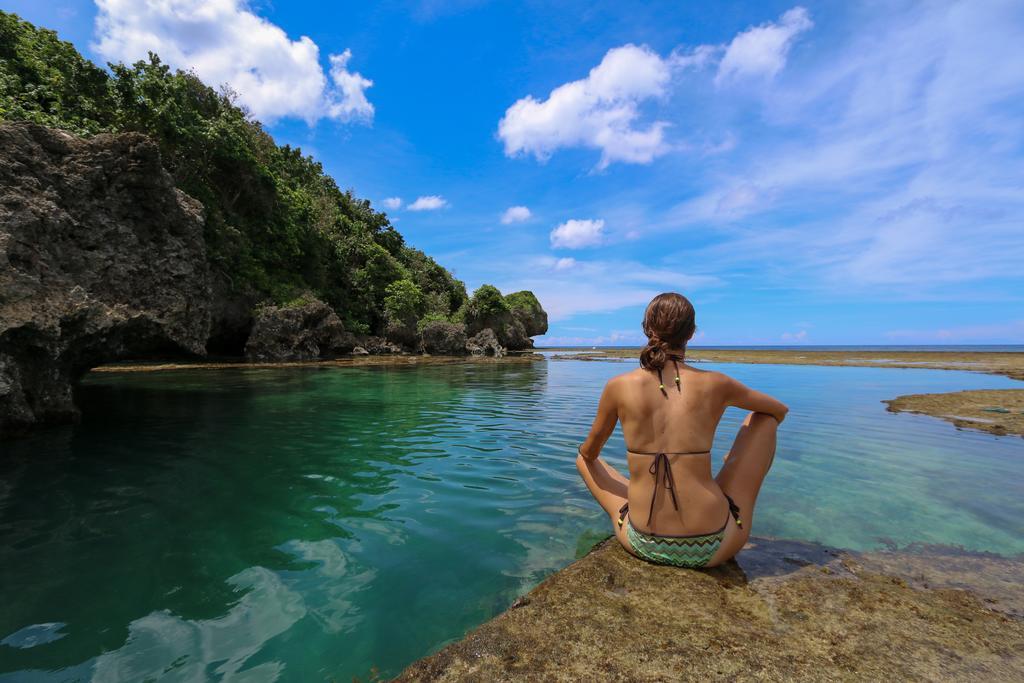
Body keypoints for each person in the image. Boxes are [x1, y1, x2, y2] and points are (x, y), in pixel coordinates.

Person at [576, 292, 787, 568]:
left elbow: (590, 453)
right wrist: (733, 463)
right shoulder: (717, 383)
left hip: (642, 542)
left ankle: (640, 501)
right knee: (764, 420)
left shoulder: (618, 385)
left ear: (647, 329)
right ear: (691, 334)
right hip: (715, 544)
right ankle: (723, 477)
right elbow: (778, 410)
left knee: (582, 459)